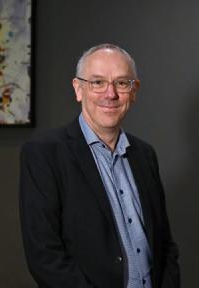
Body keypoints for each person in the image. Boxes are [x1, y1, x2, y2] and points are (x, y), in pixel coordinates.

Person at [19, 43, 180, 288]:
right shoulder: (44, 153)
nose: (110, 94)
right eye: (97, 82)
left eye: (122, 83)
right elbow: (44, 256)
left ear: (134, 91)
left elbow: (164, 245)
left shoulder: (145, 154)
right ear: (78, 89)